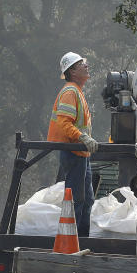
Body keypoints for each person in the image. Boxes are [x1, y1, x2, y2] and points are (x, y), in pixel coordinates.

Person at [47, 52, 99, 236]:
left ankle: (83, 238)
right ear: (72, 72)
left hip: (80, 154)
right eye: (80, 64)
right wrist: (83, 138)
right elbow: (64, 123)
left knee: (87, 199)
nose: (86, 66)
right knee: (77, 199)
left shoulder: (77, 91)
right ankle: (72, 240)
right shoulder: (70, 92)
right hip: (73, 152)